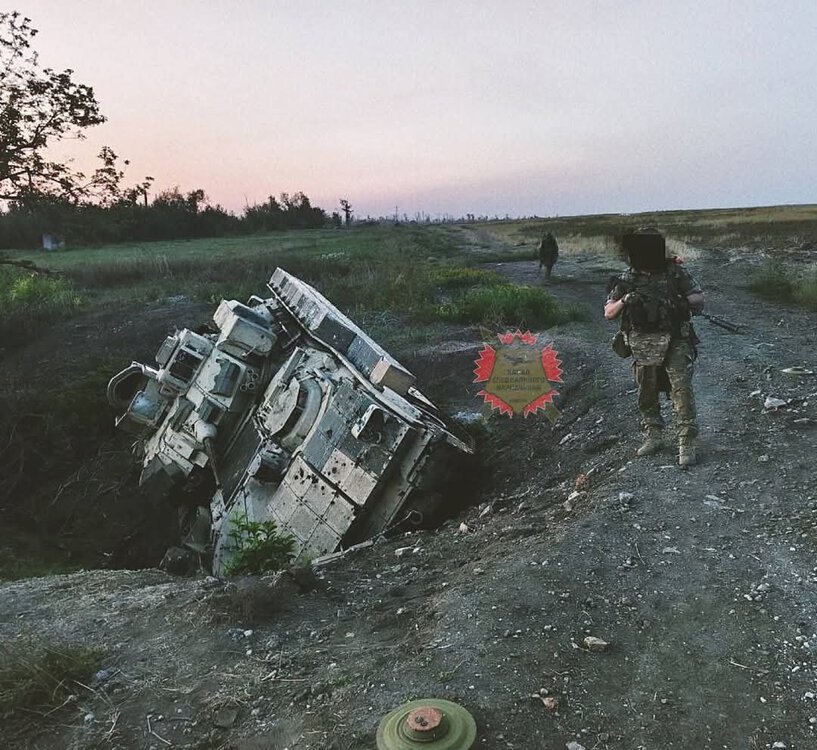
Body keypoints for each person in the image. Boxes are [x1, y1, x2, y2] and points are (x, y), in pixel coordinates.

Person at [604, 229, 705, 466]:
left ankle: (686, 442)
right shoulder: (627, 278)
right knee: (646, 391)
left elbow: (699, 299)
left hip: (676, 339)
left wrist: (677, 302)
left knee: (681, 389)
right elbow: (609, 312)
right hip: (643, 344)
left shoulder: (675, 272)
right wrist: (625, 300)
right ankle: (653, 434)